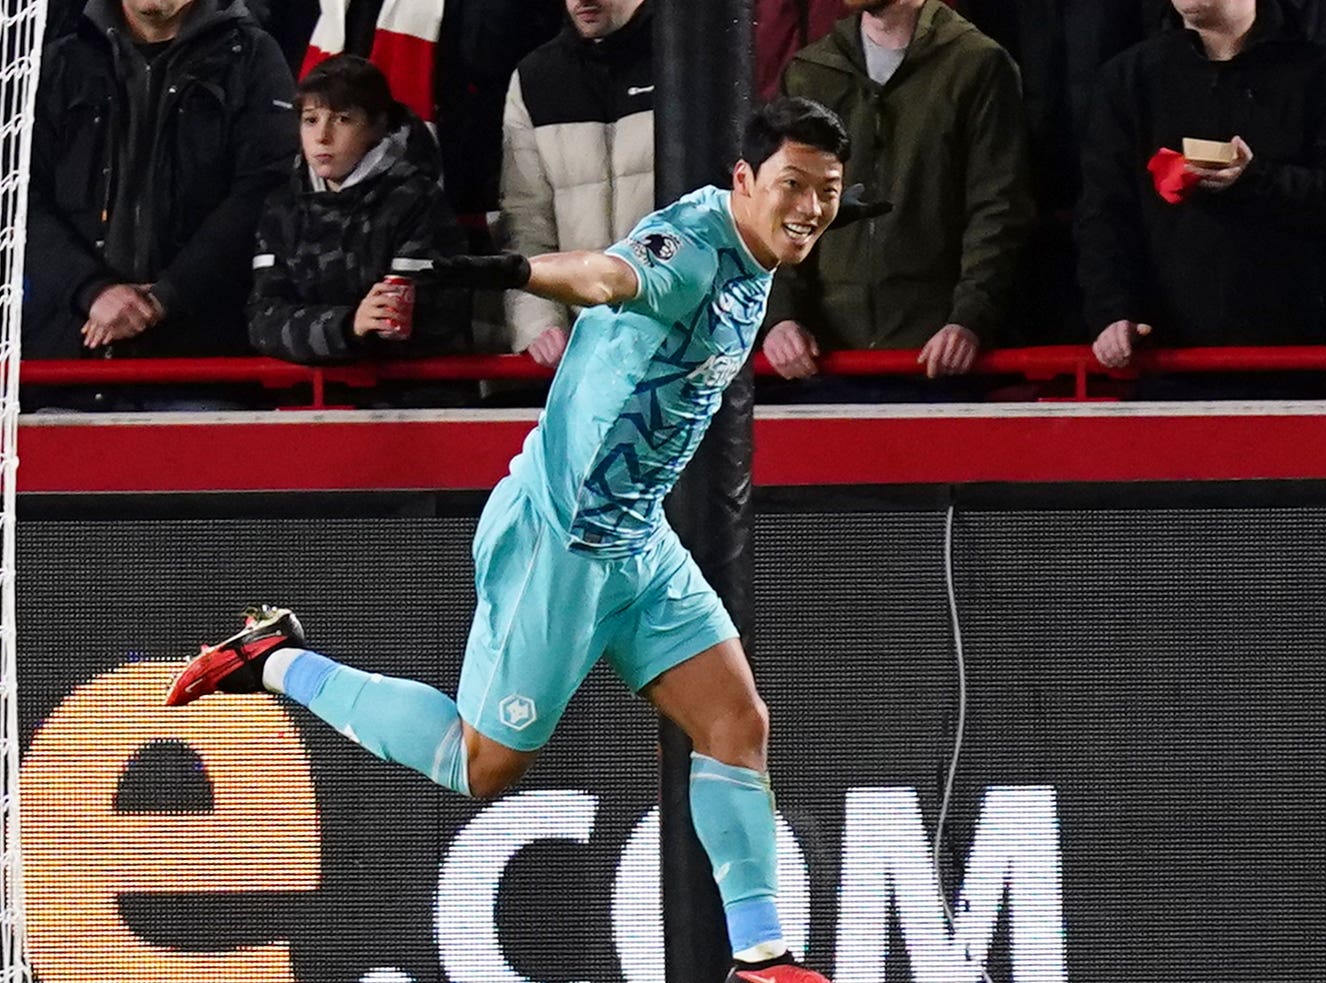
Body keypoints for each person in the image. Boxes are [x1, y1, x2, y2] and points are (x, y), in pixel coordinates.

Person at [168, 97, 882, 982]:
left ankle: (762, 959)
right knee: (479, 765)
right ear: (741, 181)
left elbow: (804, 206)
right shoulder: (690, 249)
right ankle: (273, 658)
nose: (810, 208)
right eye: (792, 186)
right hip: (561, 540)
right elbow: (602, 275)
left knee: (736, 723)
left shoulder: (771, 235)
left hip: (634, 535)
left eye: (828, 191)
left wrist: (823, 198)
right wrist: (509, 268)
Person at [1075, 0, 1326, 397]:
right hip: (1164, 359)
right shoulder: (1128, 79)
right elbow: (1103, 211)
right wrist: (1112, 311)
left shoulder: (1319, 74)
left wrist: (1257, 179)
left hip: (1291, 360)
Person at [22, 0, 297, 407]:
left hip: (200, 371)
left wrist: (167, 296)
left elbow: (265, 193)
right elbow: (20, 199)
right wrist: (92, 290)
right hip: (64, 368)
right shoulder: (62, 60)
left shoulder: (253, 58)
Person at [763, 0, 1033, 401]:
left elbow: (997, 208)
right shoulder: (810, 71)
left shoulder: (977, 64)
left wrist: (969, 319)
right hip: (822, 361)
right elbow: (780, 203)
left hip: (939, 358)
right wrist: (780, 317)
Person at [248, 54, 469, 366]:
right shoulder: (281, 207)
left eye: (342, 119)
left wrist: (361, 326)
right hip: (304, 399)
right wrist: (348, 324)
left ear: (378, 125)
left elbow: (421, 322)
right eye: (311, 120)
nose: (322, 136)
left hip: (406, 400)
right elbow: (262, 320)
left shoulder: (417, 201)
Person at [500, 0, 655, 369]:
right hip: (581, 353)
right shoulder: (535, 77)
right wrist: (539, 323)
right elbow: (525, 225)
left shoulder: (690, 61)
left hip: (679, 345)